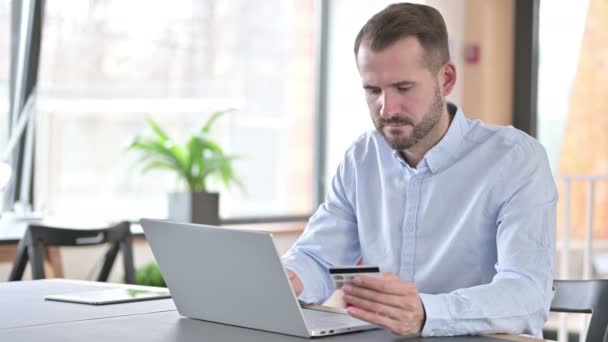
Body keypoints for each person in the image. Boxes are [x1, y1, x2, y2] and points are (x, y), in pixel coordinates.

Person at [281, 2, 557, 338]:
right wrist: (286, 279)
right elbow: (317, 257)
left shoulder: (515, 160)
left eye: (403, 88)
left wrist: (427, 312)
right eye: (373, 90)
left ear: (447, 78)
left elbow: (527, 295)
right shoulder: (361, 159)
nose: (387, 108)